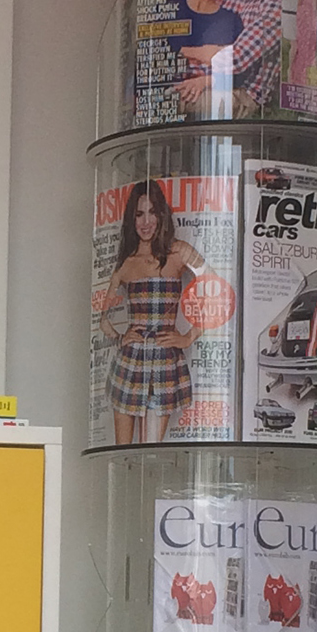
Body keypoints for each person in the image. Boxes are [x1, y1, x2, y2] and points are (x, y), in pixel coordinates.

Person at [100, 179, 208, 443]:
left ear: (161, 215)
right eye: (139, 214)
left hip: (163, 360)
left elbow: (216, 290)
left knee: (150, 450)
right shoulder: (127, 263)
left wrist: (189, 336)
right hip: (129, 362)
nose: (146, 222)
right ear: (131, 218)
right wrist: (120, 338)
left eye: (152, 212)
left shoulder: (178, 252)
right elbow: (103, 317)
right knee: (122, 451)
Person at [212, 0, 286, 115]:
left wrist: (194, 58)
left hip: (246, 96)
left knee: (177, 100)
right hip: (213, 82)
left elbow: (237, 60)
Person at [171, 0, 242, 118]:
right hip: (172, 92)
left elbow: (240, 71)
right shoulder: (169, 10)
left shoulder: (231, 21)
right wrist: (202, 53)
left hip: (211, 94)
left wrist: (206, 80)